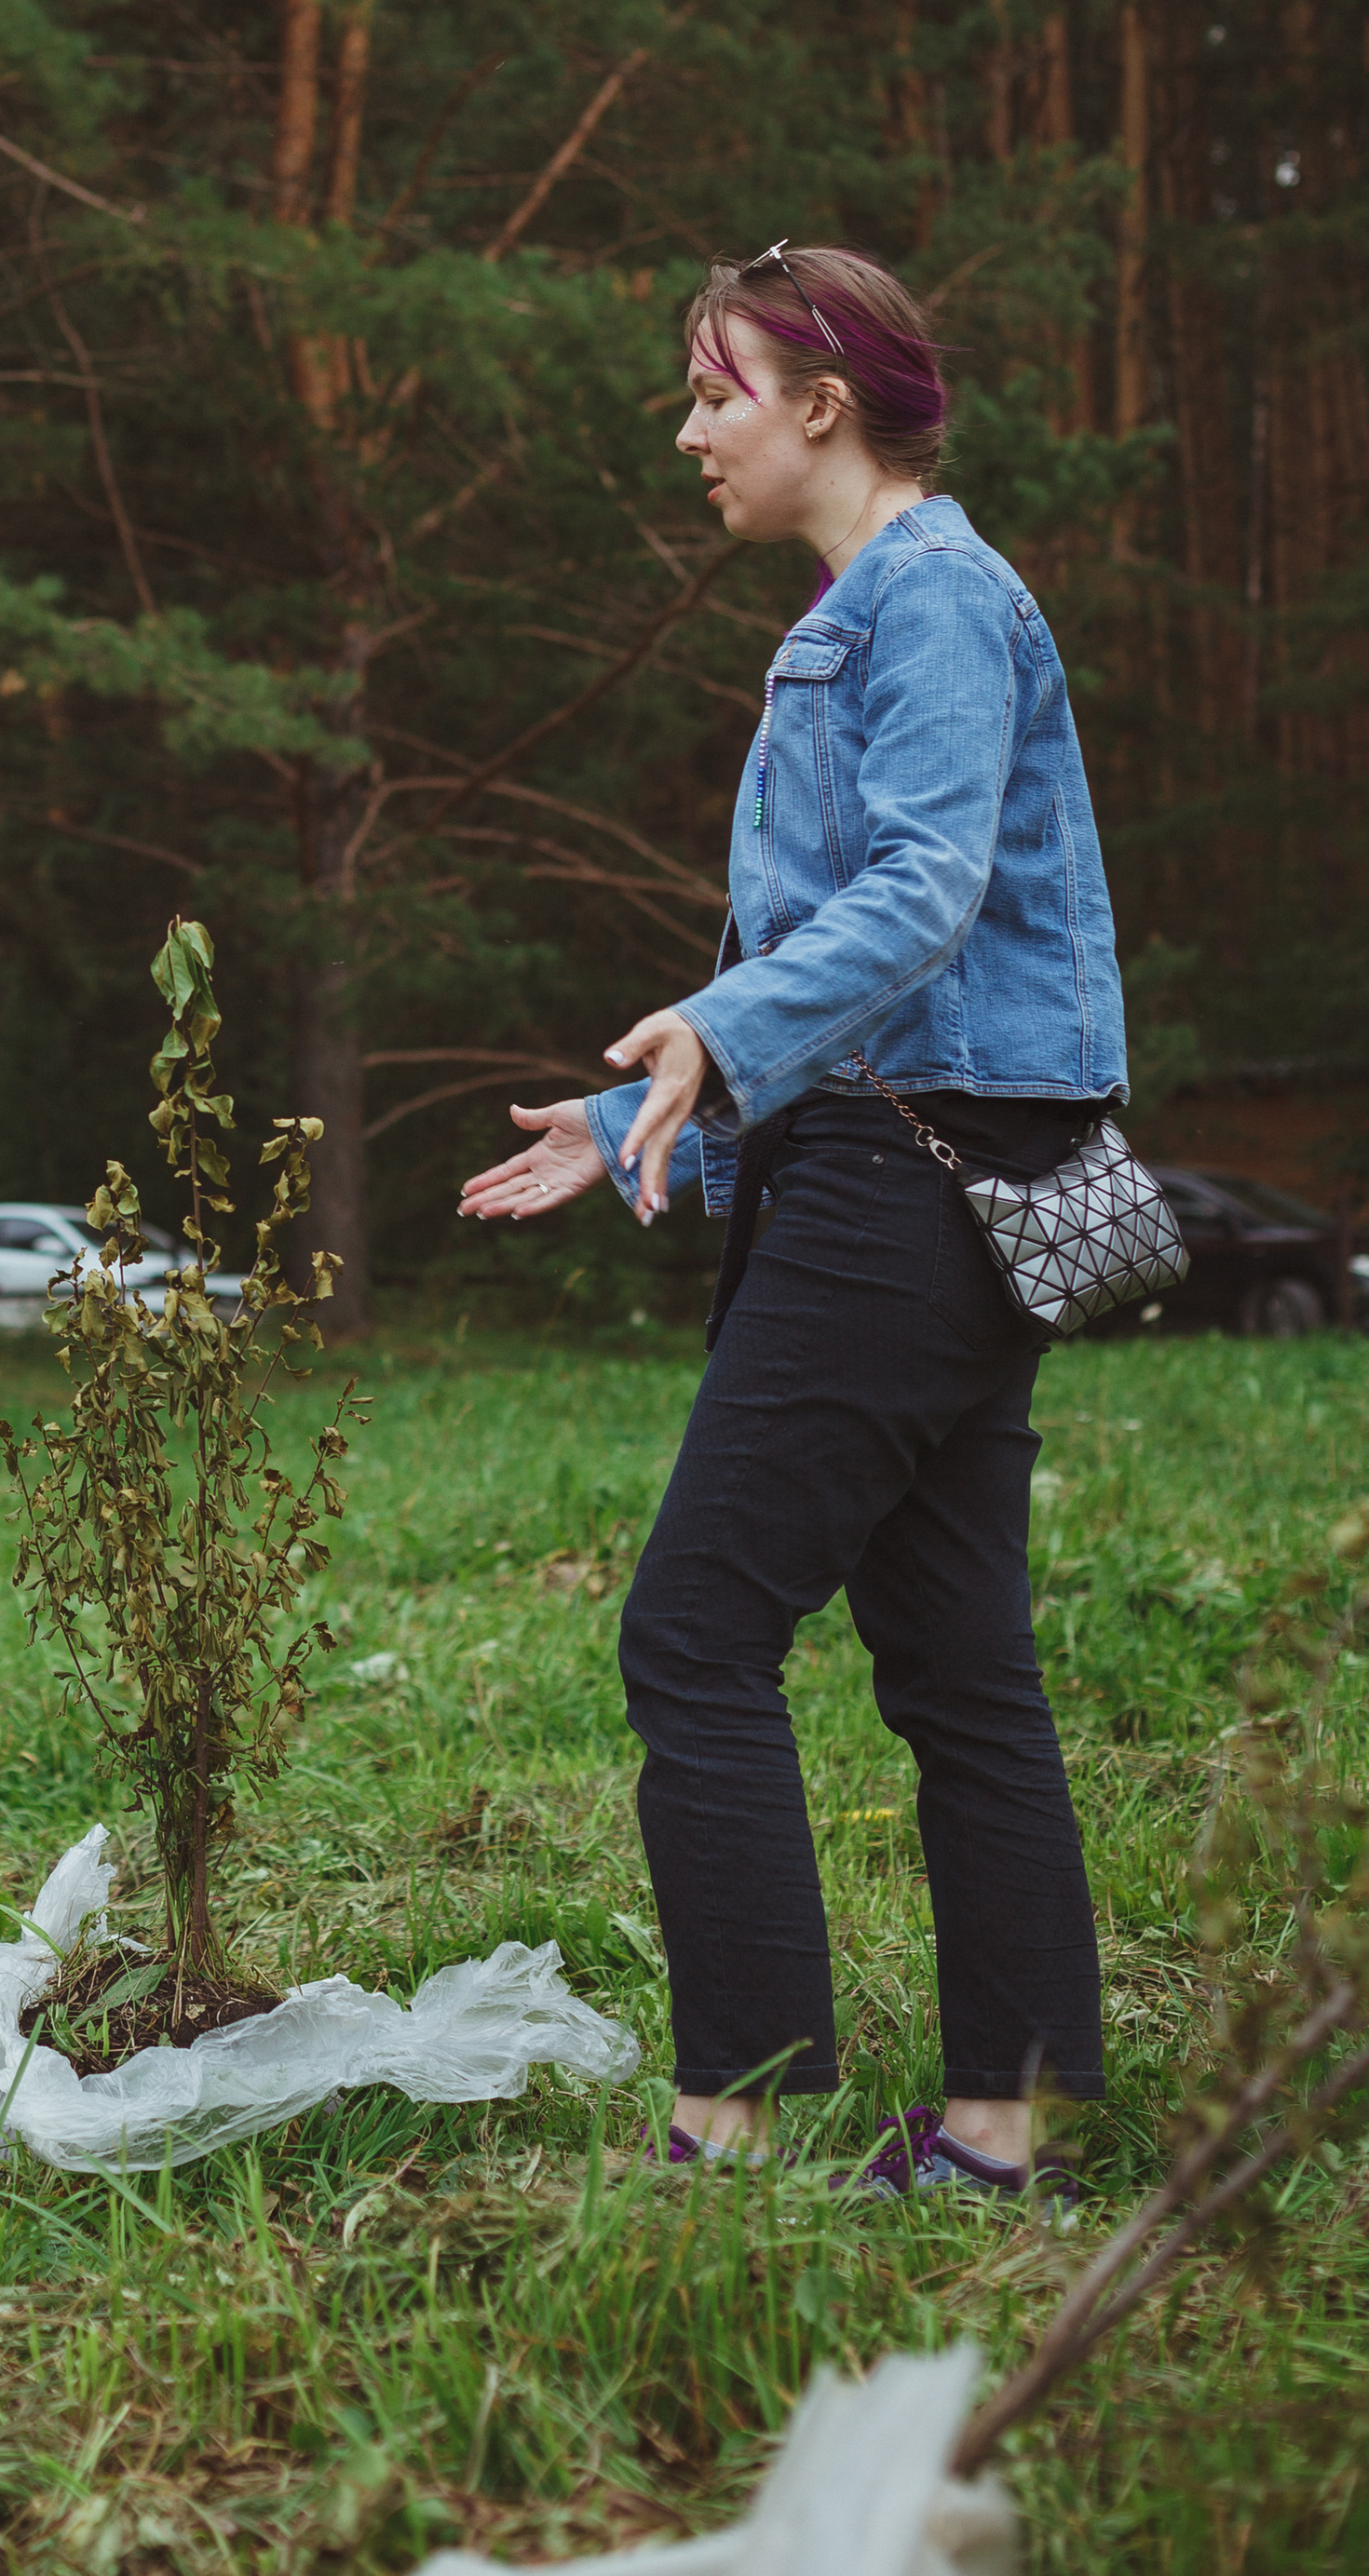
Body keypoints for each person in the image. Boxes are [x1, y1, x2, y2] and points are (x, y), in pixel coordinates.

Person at [459, 244, 1123, 2201]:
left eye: (710, 393)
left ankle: (724, 2123)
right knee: (953, 1668)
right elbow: (874, 950)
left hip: (902, 1190)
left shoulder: (924, 601)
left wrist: (715, 1031)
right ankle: (997, 2132)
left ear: (818, 402)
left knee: (690, 1631)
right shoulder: (884, 601)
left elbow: (917, 899)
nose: (686, 433)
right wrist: (629, 1101)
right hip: (922, 1166)